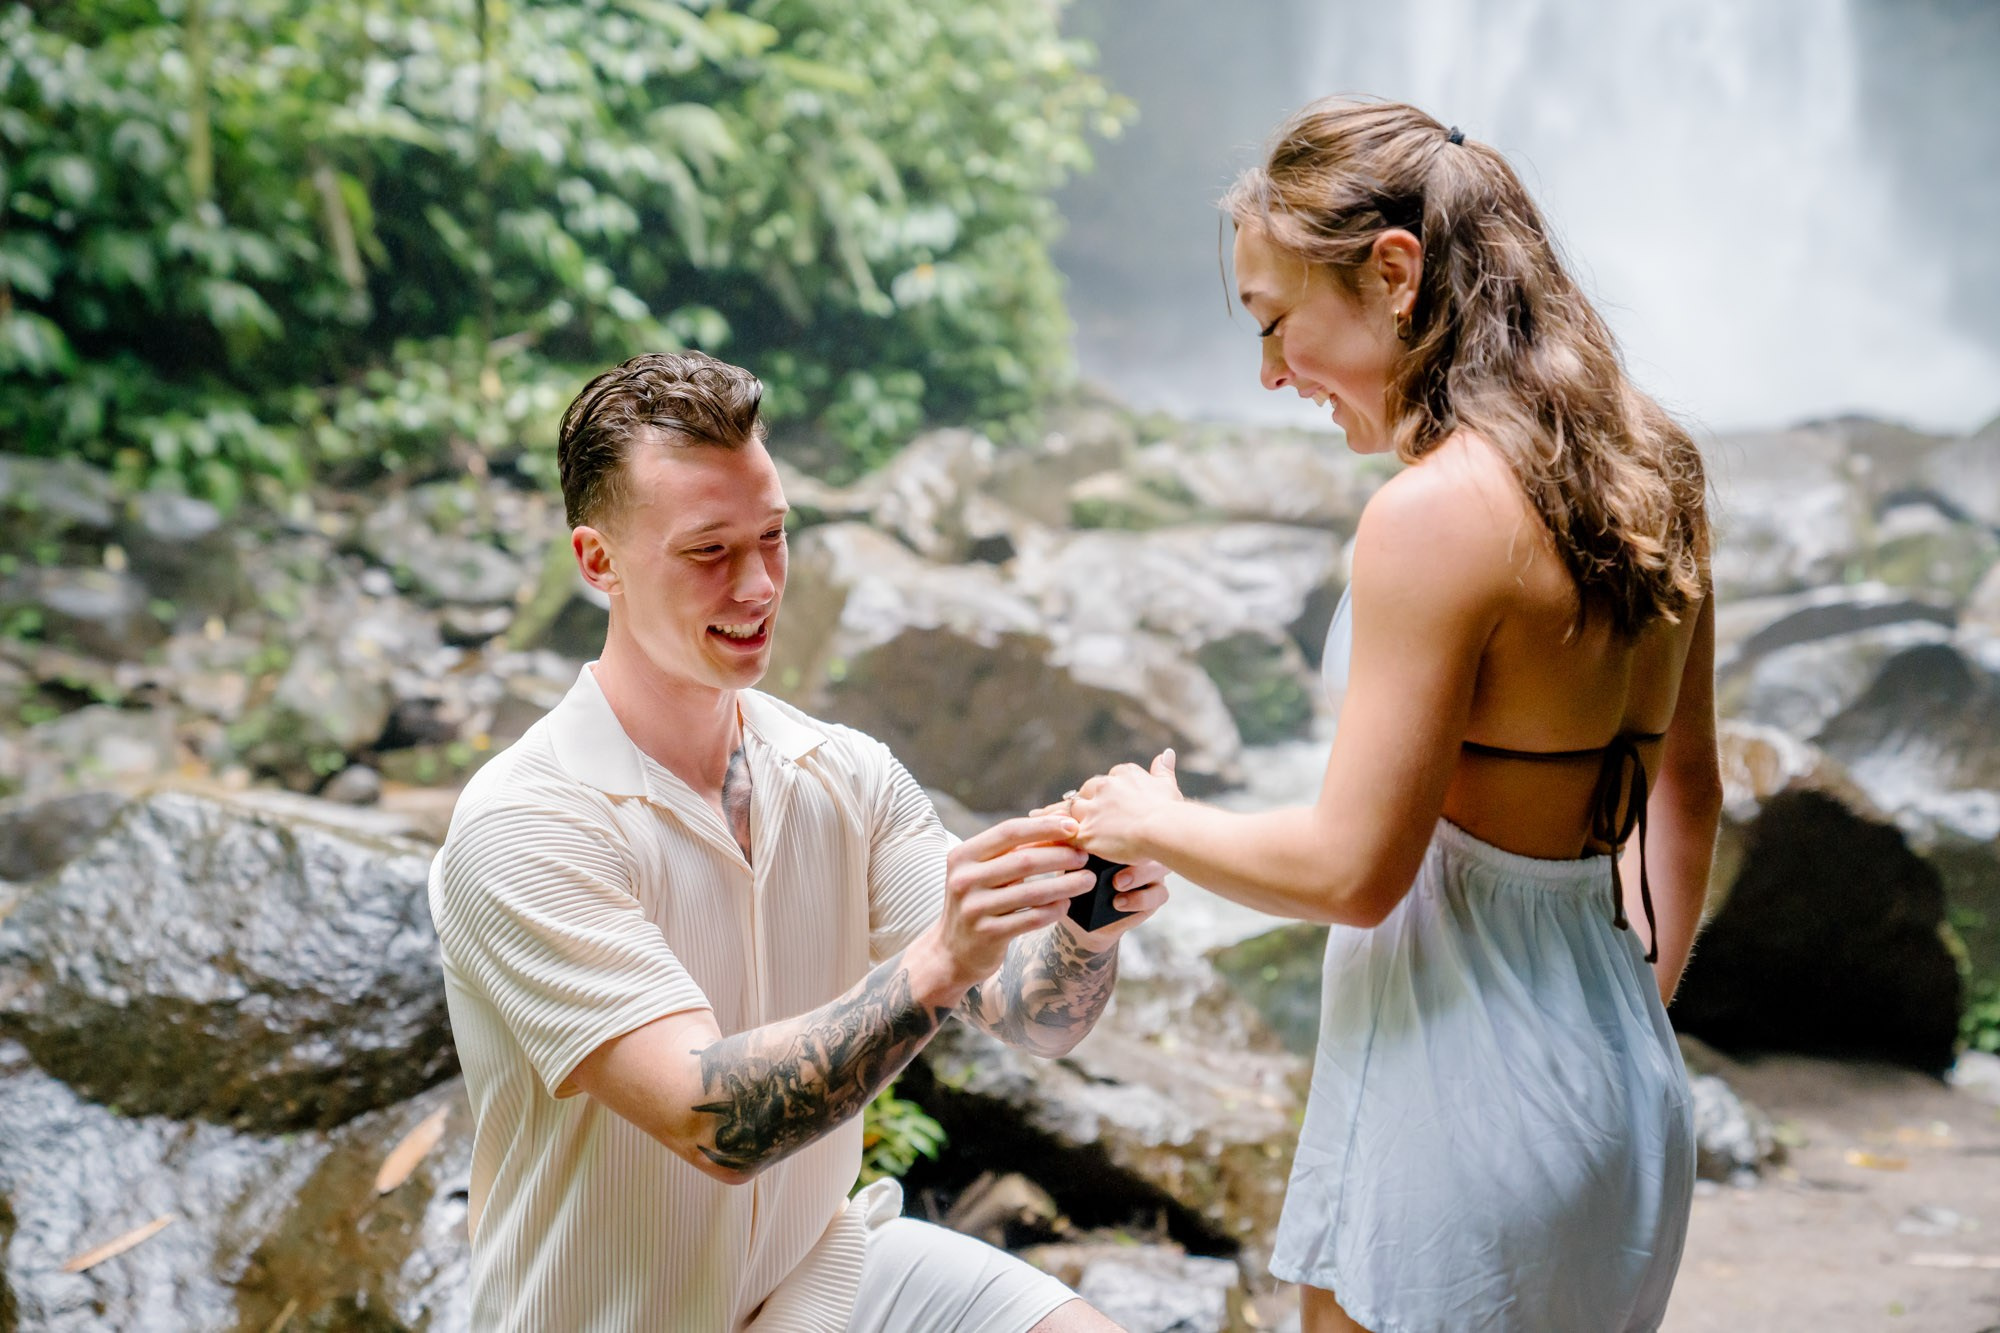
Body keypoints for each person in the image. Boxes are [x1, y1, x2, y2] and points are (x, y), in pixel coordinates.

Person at [1069, 99, 1722, 1333]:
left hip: (1458, 1105)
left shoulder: (1432, 515)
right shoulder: (1654, 466)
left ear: (1391, 272)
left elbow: (1353, 871)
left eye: (1274, 323)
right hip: (1622, 1088)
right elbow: (1689, 796)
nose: (1268, 374)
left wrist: (1148, 818)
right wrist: (1626, 1019)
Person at [428, 350, 1167, 1331]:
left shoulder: (846, 773)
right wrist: (936, 961)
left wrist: (1087, 917)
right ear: (596, 561)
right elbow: (712, 1121)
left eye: (772, 537)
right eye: (708, 553)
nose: (758, 584)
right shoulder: (523, 822)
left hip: (819, 1273)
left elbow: (1035, 1019)